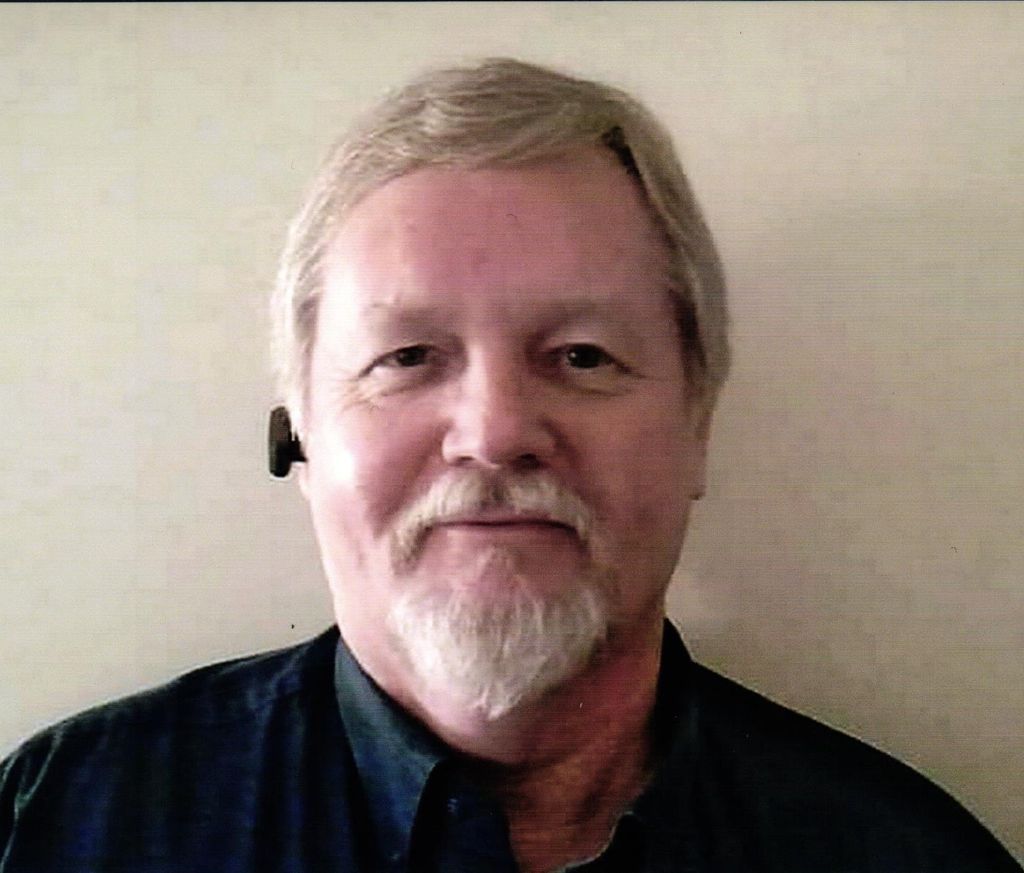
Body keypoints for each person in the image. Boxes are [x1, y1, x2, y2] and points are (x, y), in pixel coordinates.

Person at [1, 58, 1019, 873]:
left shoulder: (903, 854)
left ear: (696, 429)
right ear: (299, 438)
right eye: (407, 357)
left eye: (583, 356)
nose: (493, 432)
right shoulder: (59, 828)